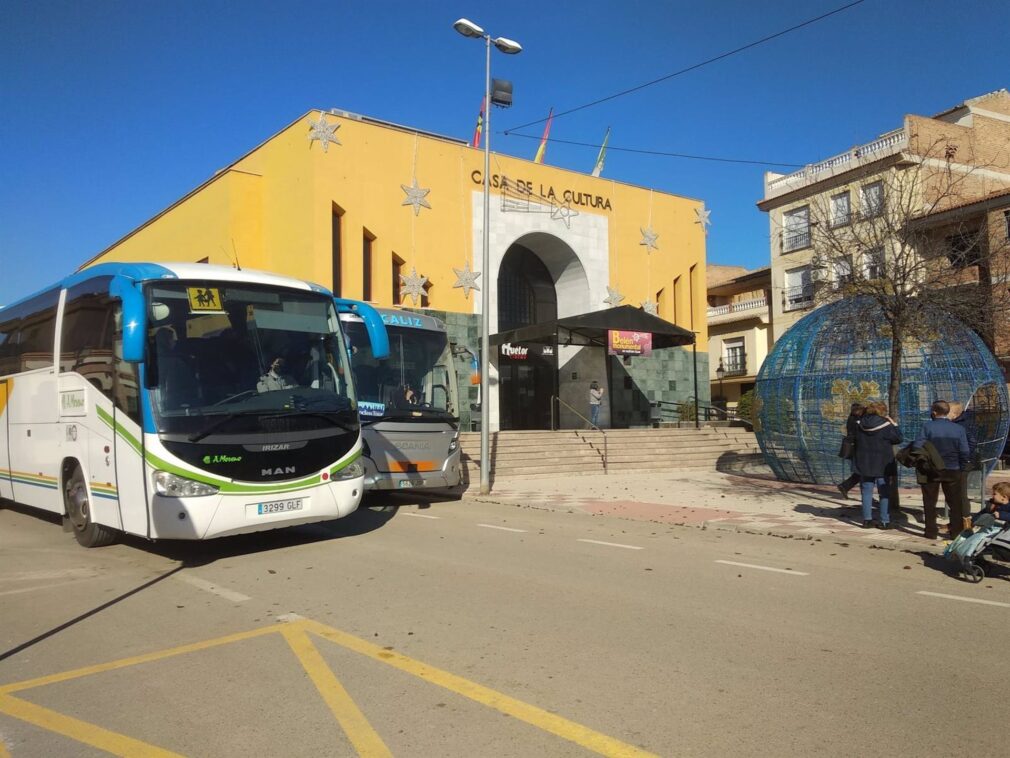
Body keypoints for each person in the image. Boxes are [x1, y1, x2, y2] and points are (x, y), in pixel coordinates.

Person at [913, 399, 970, 540]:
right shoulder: (959, 429)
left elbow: (917, 447)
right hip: (953, 468)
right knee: (955, 502)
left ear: (934, 412)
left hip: (931, 469)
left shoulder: (927, 427)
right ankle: (956, 532)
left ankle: (930, 532)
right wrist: (962, 467)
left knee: (929, 501)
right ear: (947, 412)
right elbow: (965, 451)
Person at [853, 401, 902, 529]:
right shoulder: (886, 425)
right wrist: (895, 425)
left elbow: (854, 439)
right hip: (882, 462)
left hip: (864, 461)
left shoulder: (859, 424)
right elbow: (898, 439)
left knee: (866, 491)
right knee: (884, 492)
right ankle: (885, 521)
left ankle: (867, 520)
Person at [948, 401, 978, 521]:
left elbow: (972, 441)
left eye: (948, 412)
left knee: (960, 493)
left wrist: (965, 458)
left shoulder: (963, 425)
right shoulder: (958, 423)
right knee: (955, 492)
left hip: (963, 462)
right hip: (959, 461)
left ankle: (965, 520)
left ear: (954, 414)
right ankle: (957, 519)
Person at [836, 403, 864, 499]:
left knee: (862, 472)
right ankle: (845, 486)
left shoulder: (853, 418)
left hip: (857, 448)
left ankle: (845, 486)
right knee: (863, 472)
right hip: (857, 448)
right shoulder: (856, 420)